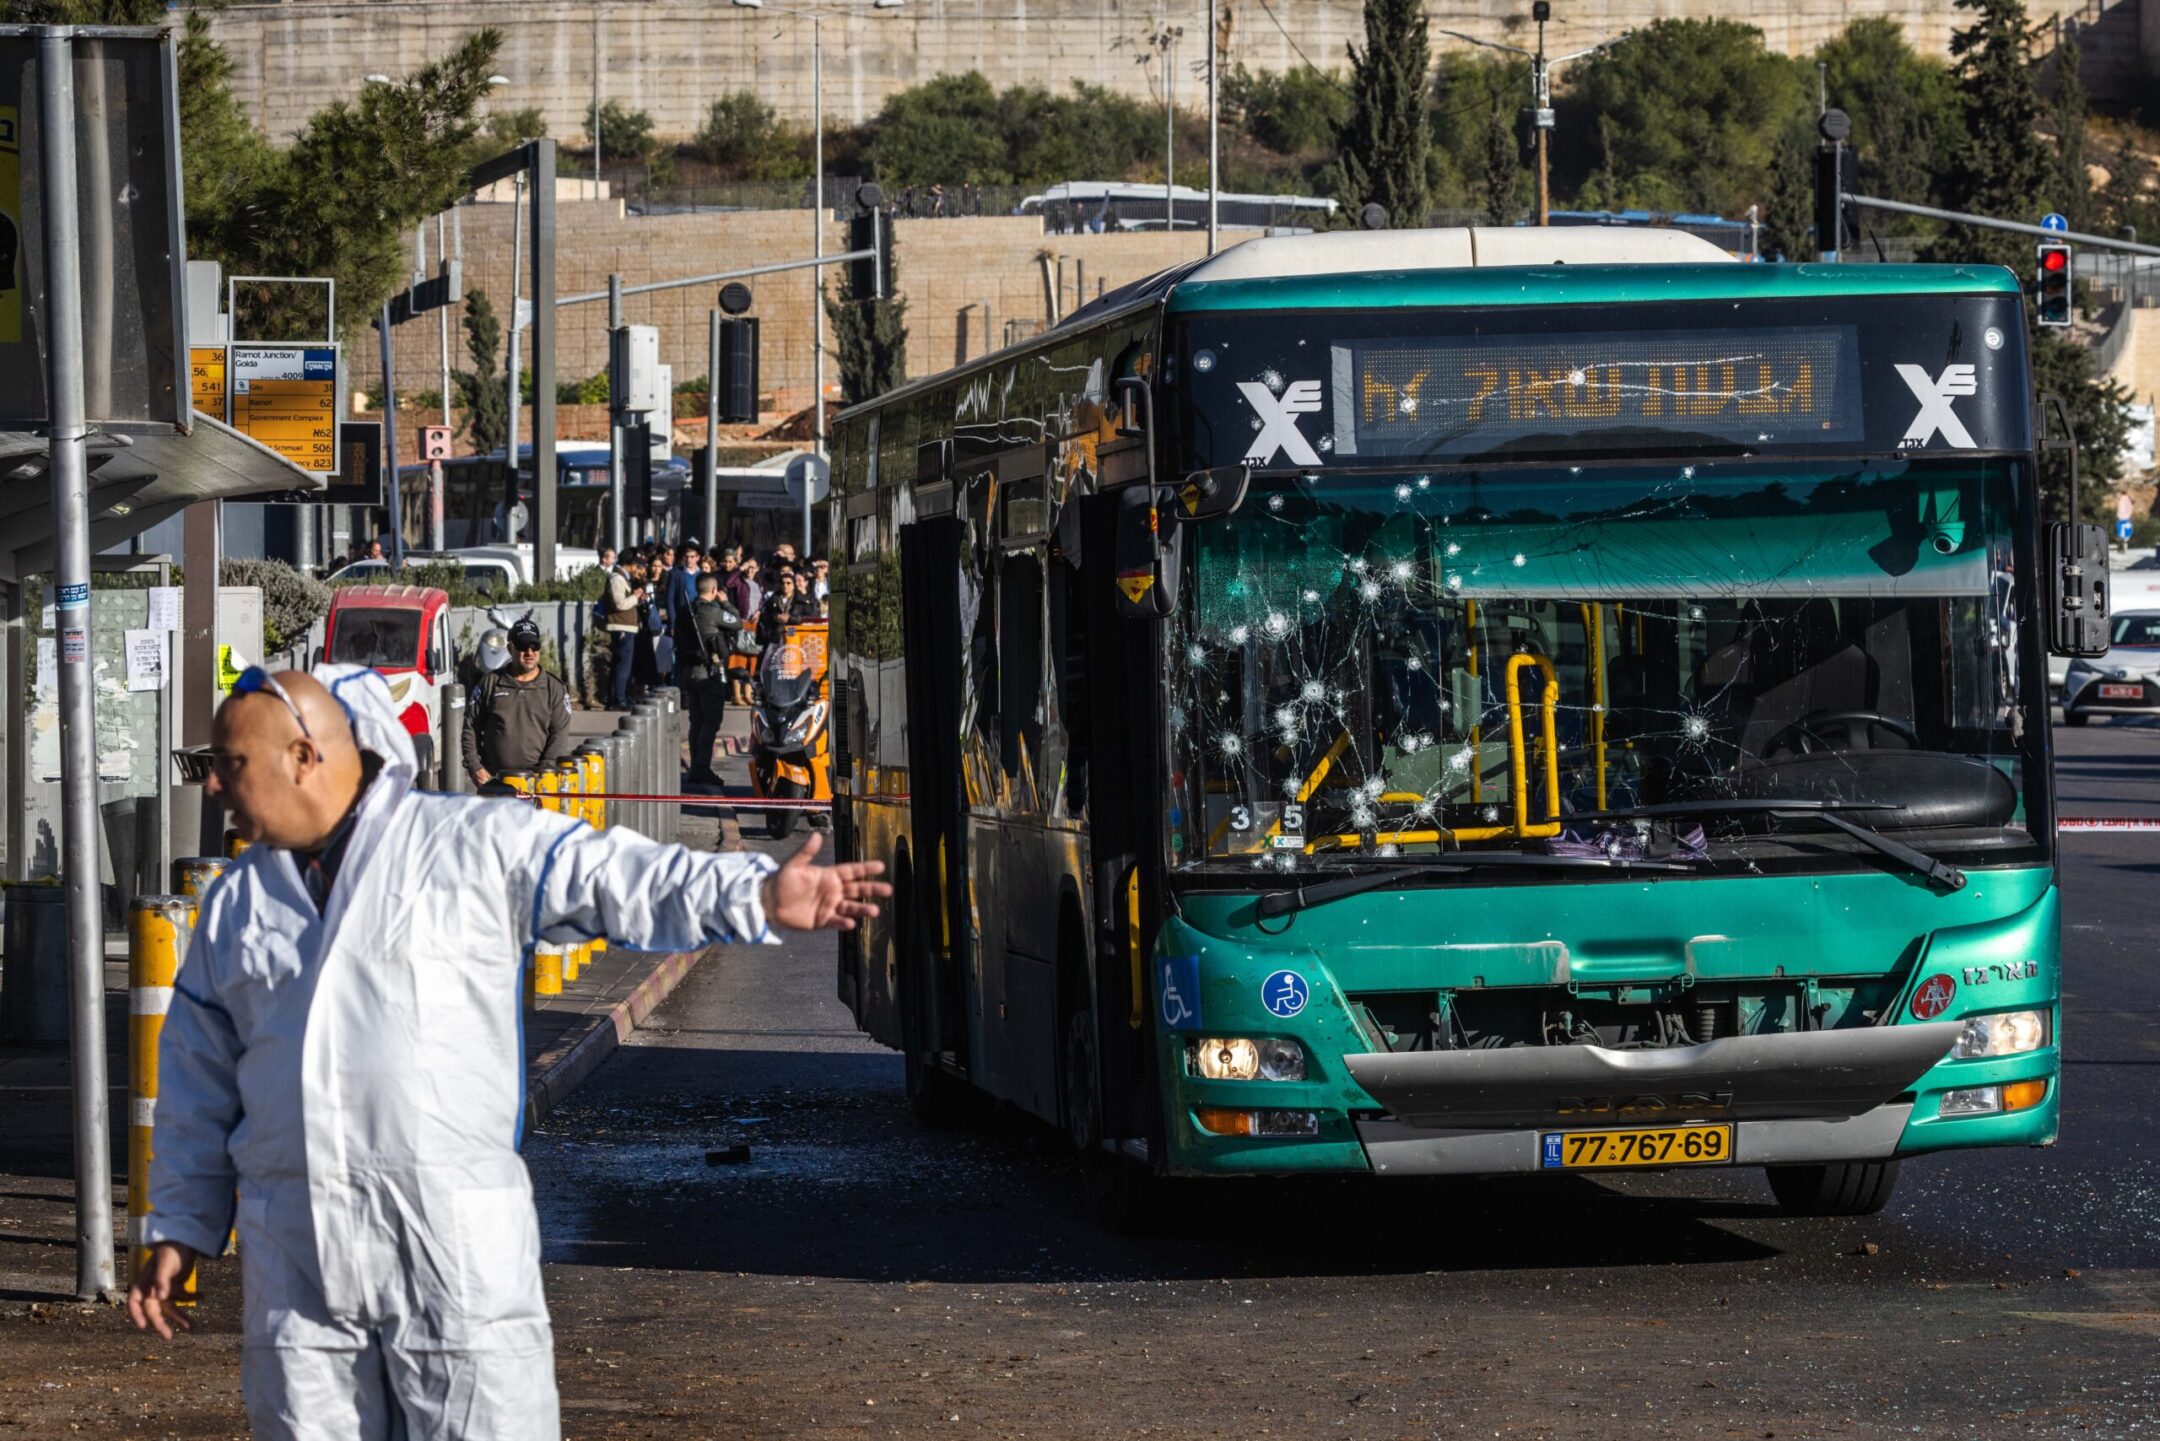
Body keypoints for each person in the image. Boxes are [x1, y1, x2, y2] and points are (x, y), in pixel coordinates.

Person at [128, 664, 887, 1440]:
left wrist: (753, 895)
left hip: (448, 1244)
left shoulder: (468, 845)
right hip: (298, 1256)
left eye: (230, 764)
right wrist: (181, 1224)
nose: (215, 787)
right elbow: (198, 1076)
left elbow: (618, 877)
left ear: (302, 756)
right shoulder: (236, 902)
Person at [462, 618, 573, 791]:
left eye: (534, 646)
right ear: (510, 648)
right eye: (522, 646)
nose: (529, 652)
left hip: (538, 783)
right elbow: (471, 726)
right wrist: (475, 766)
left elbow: (559, 735)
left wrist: (544, 772)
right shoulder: (490, 682)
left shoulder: (554, 688)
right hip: (494, 782)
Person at [683, 571, 742, 785]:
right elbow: (737, 622)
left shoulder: (685, 611)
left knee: (696, 722)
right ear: (714, 591)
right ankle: (701, 768)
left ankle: (696, 768)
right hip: (708, 673)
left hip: (688, 671)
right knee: (711, 722)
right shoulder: (712, 611)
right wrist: (726, 603)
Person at [602, 550, 646, 710]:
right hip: (621, 627)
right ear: (630, 564)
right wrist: (634, 597)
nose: (637, 570)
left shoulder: (624, 579)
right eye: (636, 566)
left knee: (621, 664)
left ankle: (619, 696)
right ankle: (618, 699)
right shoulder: (617, 579)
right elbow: (619, 604)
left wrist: (637, 598)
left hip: (626, 627)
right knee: (622, 665)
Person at [665, 540, 704, 681]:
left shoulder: (703, 575)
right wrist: (673, 622)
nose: (689, 559)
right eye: (686, 557)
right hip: (682, 621)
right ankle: (678, 686)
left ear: (698, 558)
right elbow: (669, 600)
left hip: (700, 620)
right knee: (680, 656)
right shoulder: (676, 574)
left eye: (692, 556)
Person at [728, 556, 763, 706]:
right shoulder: (739, 582)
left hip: (754, 624)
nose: (750, 570)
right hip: (741, 622)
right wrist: (740, 569)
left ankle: (748, 694)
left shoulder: (759, 584)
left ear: (757, 569)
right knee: (738, 659)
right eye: (748, 567)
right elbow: (728, 583)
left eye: (753, 567)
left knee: (752, 661)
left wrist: (759, 612)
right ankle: (737, 695)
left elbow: (762, 602)